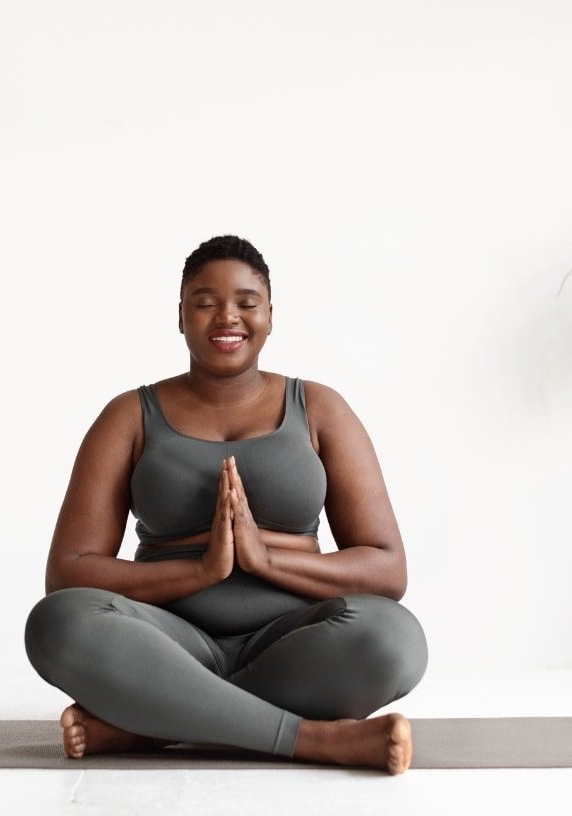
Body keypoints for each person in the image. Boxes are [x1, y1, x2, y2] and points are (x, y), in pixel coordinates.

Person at [24, 235, 428, 775]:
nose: (227, 316)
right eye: (205, 301)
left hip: (296, 641)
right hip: (165, 642)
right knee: (59, 622)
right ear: (181, 315)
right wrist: (200, 570)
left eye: (245, 301)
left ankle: (153, 725)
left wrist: (264, 560)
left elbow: (386, 568)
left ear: (269, 314)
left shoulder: (320, 408)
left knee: (395, 639)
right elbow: (69, 572)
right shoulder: (129, 415)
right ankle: (316, 741)